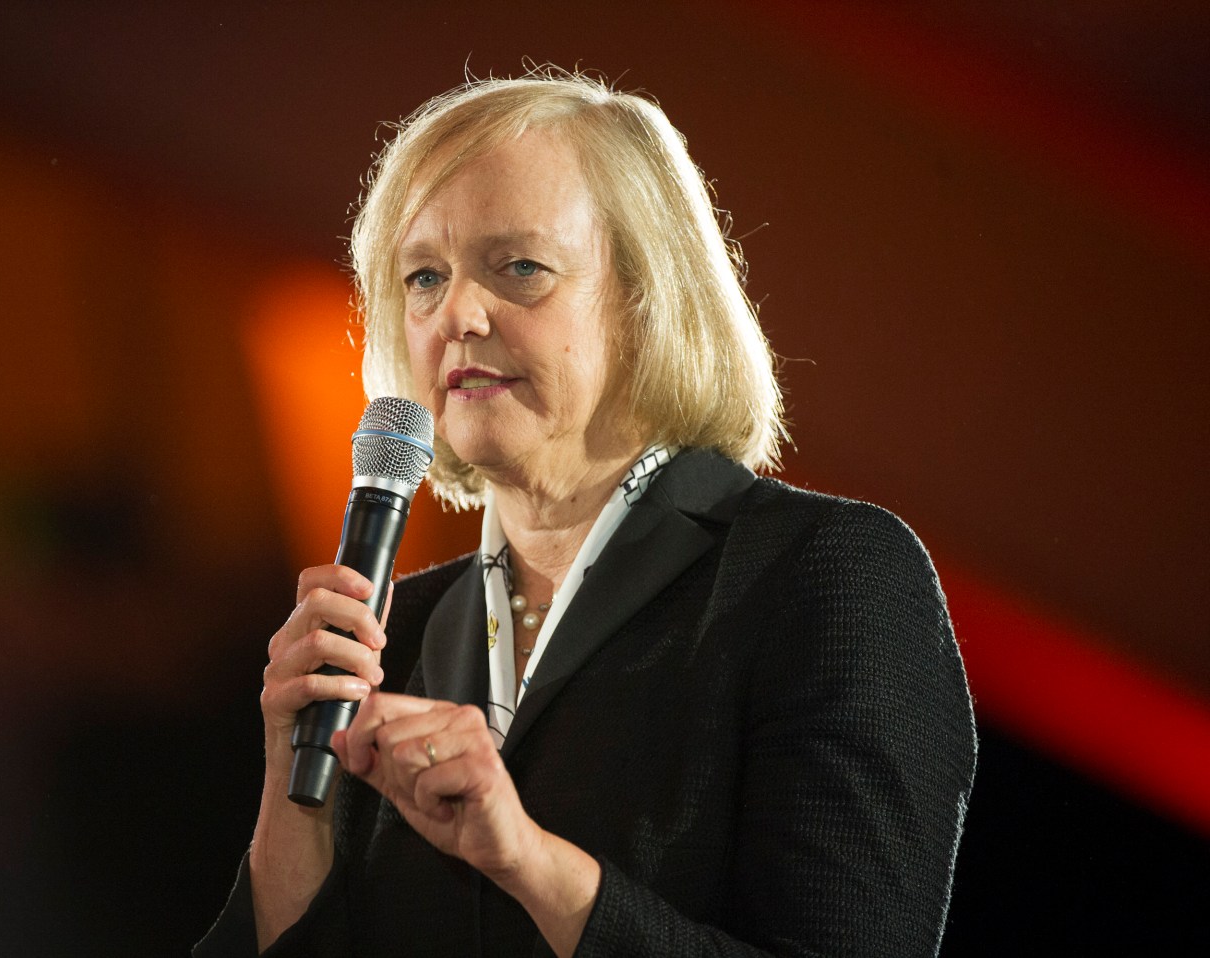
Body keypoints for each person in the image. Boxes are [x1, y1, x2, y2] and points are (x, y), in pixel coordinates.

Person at [196, 69, 976, 957]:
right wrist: (293, 789)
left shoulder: (827, 579)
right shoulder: (389, 640)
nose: (457, 314)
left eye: (520, 268)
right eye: (423, 277)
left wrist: (531, 864)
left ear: (645, 304)